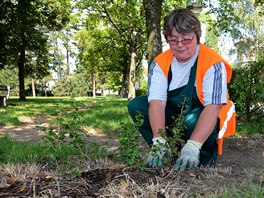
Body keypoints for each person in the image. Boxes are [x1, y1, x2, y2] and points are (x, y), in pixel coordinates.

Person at [128, 8, 236, 171]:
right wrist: (158, 139)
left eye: (186, 39)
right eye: (173, 40)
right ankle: (166, 151)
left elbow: (213, 107)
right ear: (167, 38)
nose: (180, 46)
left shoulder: (213, 63)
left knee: (196, 121)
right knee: (137, 106)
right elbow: (157, 102)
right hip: (175, 114)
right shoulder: (159, 63)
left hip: (202, 115)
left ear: (197, 36)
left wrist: (193, 145)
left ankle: (202, 154)